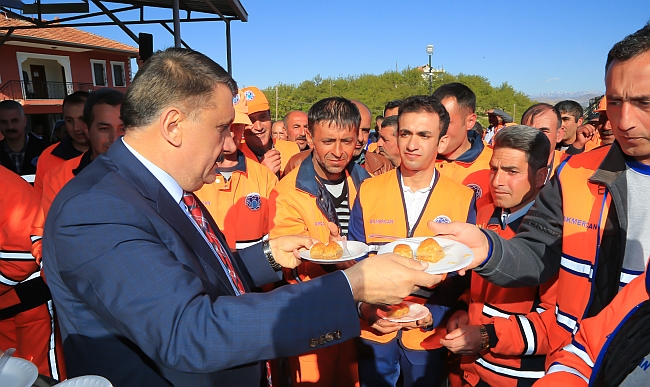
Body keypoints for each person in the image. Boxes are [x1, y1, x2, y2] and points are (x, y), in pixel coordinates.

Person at [43, 48, 441, 387]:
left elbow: (197, 277)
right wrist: (352, 285)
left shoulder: (152, 188)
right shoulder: (98, 209)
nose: (229, 142)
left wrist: (267, 257)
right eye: (220, 128)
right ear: (174, 126)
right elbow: (188, 331)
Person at [427, 22, 650, 384]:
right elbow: (537, 255)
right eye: (615, 102)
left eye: (644, 102)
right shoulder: (576, 172)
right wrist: (486, 249)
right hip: (572, 369)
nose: (624, 120)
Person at [348, 95, 476, 387]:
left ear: (441, 143)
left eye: (424, 135)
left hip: (427, 334)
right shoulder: (368, 190)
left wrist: (434, 313)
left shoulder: (462, 197)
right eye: (405, 133)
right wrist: (365, 309)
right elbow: (356, 257)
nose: (412, 144)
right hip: (375, 330)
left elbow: (463, 272)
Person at [442, 126, 557, 387]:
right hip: (471, 369)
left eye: (512, 172)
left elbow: (558, 322)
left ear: (540, 177)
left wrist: (486, 335)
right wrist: (462, 309)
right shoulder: (484, 216)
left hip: (517, 377)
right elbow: (475, 285)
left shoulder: (554, 236)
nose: (496, 181)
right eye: (494, 169)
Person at [269, 97, 371, 386]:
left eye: (347, 141)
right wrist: (334, 257)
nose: (338, 152)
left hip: (363, 314)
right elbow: (287, 258)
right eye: (328, 141)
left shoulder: (370, 184)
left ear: (359, 138)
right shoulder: (288, 192)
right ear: (310, 138)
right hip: (312, 312)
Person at [0, 165, 62, 379]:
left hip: (30, 306)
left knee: (43, 377)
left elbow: (22, 255)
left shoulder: (7, 187)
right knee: (8, 375)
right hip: (7, 305)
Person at [196, 91, 278, 251]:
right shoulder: (192, 176)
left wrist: (265, 268)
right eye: (225, 126)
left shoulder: (265, 177)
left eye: (237, 125)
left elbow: (277, 236)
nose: (231, 132)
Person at [282, 100, 393, 177]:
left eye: (365, 130)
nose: (359, 138)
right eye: (355, 130)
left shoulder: (383, 166)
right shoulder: (297, 163)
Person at [433, 83, 493, 210]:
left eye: (446, 122)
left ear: (470, 122)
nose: (437, 130)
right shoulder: (418, 158)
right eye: (433, 122)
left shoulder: (493, 163)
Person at [34, 91, 89, 196]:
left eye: (83, 119)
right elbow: (40, 200)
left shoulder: (112, 151)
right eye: (69, 120)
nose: (76, 127)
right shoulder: (48, 156)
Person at [239, 86, 300, 176]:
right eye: (250, 120)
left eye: (263, 117)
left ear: (270, 117)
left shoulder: (292, 149)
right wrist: (263, 173)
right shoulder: (235, 157)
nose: (259, 127)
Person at [0, 100, 49, 180]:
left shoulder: (45, 150)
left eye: (14, 121)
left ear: (24, 121)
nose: (10, 127)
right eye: (4, 122)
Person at [520, 103, 567, 180]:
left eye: (543, 131)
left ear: (559, 134)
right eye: (528, 131)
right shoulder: (506, 166)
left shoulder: (570, 167)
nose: (535, 137)